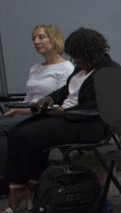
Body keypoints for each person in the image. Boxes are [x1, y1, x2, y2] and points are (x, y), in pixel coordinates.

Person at [5, 28, 119, 213]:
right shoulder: (81, 68)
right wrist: (49, 99)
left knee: (27, 136)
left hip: (87, 124)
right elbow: (67, 90)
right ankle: (20, 185)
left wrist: (64, 112)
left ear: (90, 52)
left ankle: (29, 187)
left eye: (79, 56)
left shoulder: (110, 71)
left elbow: (97, 106)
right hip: (68, 116)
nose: (76, 61)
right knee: (16, 132)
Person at [0, 25, 73, 198]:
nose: (36, 41)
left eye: (41, 37)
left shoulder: (66, 68)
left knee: (2, 129)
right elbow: (29, 98)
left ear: (54, 39)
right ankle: (16, 181)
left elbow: (62, 100)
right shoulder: (35, 68)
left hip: (46, 116)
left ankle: (8, 182)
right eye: (34, 38)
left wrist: (23, 111)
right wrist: (18, 108)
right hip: (28, 112)